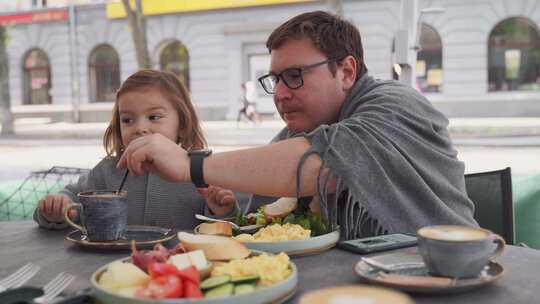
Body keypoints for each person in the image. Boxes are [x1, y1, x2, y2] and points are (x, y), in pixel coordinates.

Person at [117, 11, 477, 240]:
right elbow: (259, 217)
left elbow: (329, 163)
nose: (280, 94)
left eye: (295, 76)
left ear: (347, 71)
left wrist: (190, 164)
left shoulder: (395, 103)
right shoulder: (300, 131)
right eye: (276, 79)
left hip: (452, 276)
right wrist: (227, 209)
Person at [34, 70, 237, 230]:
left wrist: (221, 211)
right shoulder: (107, 171)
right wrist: (57, 208)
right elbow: (72, 199)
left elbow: (222, 231)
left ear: (182, 124)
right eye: (128, 120)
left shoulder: (199, 171)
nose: (140, 128)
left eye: (154, 117)